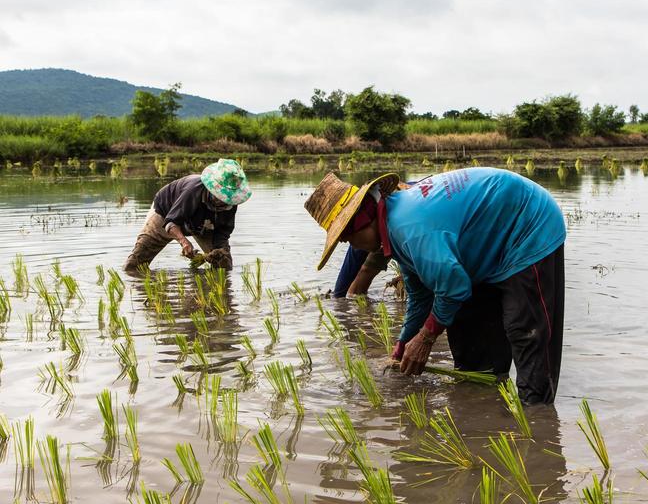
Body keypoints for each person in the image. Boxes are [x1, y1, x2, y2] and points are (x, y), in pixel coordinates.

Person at [305, 167, 566, 404]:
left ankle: (538, 424)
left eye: (347, 240)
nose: (353, 248)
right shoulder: (395, 227)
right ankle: (485, 415)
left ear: (361, 222)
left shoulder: (411, 227)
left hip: (527, 224)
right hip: (483, 246)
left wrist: (426, 338)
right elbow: (420, 296)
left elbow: (454, 287)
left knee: (525, 332)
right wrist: (403, 345)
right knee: (472, 351)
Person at [123, 159, 251, 273]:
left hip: (203, 223)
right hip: (166, 215)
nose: (224, 201)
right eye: (221, 197)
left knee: (224, 265)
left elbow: (223, 231)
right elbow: (171, 222)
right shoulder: (192, 190)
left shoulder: (232, 201)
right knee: (134, 265)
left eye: (227, 199)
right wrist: (184, 241)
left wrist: (218, 251)